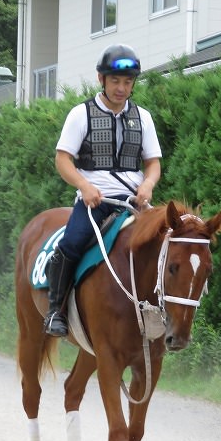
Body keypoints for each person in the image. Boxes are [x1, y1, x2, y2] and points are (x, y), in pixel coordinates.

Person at [43, 44, 163, 336]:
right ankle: (55, 310)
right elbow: (63, 159)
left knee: (169, 248)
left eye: (127, 82)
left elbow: (153, 163)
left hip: (134, 203)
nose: (122, 88)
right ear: (101, 79)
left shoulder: (143, 117)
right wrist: (84, 185)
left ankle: (164, 315)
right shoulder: (80, 114)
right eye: (115, 81)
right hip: (96, 201)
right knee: (71, 243)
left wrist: (147, 184)